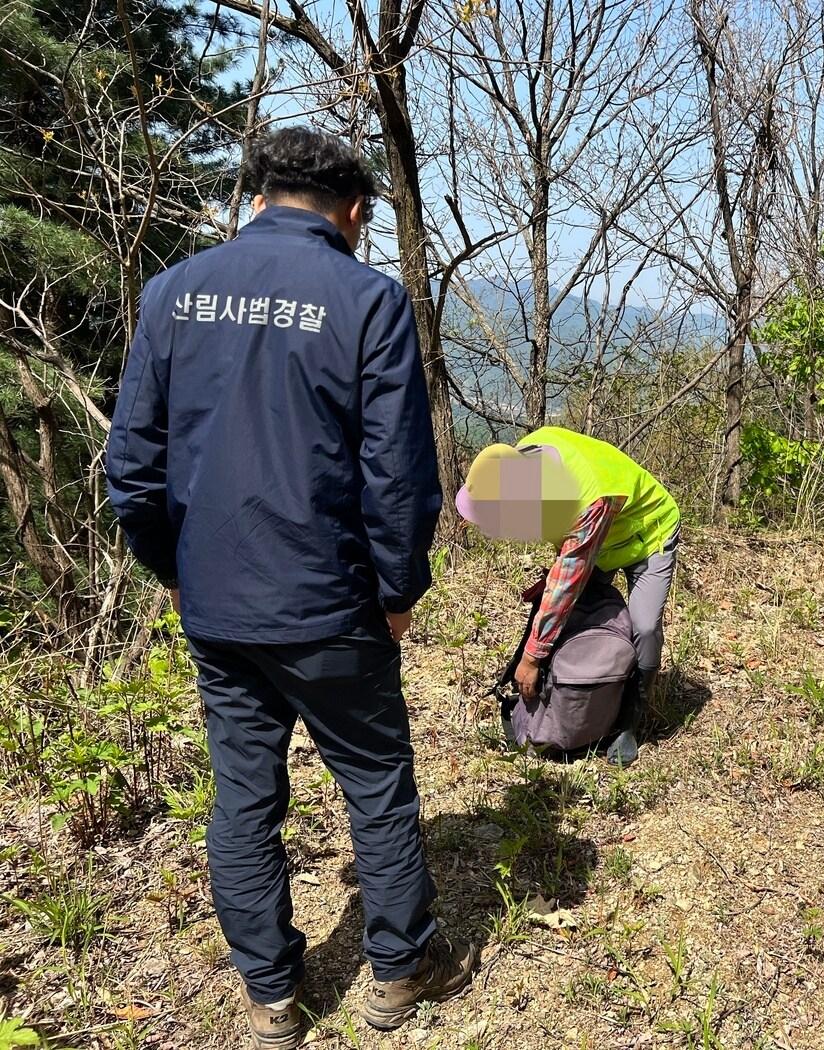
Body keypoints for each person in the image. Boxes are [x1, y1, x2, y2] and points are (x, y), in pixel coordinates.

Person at [106, 127, 472, 1047]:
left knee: (243, 796)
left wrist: (174, 571)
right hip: (332, 601)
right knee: (376, 782)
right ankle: (400, 971)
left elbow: (132, 470)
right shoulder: (368, 301)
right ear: (352, 210)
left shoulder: (174, 292)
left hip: (219, 605)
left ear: (257, 197)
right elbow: (398, 477)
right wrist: (399, 591)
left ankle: (272, 997)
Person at [455, 426, 681, 766]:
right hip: (598, 539)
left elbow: (568, 579)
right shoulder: (529, 456)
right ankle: (579, 694)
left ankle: (629, 724)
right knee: (570, 613)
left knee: (644, 627)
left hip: (647, 534)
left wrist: (531, 657)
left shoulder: (589, 495)